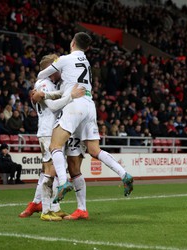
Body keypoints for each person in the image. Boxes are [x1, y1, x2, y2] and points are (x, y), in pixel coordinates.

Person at [37, 32, 133, 203]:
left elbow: (41, 75)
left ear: (72, 42)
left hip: (75, 104)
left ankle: (63, 183)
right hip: (90, 105)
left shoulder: (65, 59)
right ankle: (123, 173)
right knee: (95, 150)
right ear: (87, 47)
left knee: (55, 145)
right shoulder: (87, 62)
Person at [20, 54, 85, 221]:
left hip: (51, 131)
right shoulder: (44, 84)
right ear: (49, 69)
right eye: (56, 68)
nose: (60, 71)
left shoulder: (47, 84)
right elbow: (53, 105)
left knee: (49, 170)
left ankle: (49, 206)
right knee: (52, 171)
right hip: (48, 132)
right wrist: (71, 96)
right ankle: (46, 210)